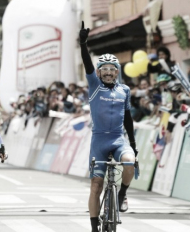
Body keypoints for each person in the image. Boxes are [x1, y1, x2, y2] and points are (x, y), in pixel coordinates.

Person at [80, 21, 137, 232]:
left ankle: (122, 193)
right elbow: (87, 63)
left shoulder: (125, 90)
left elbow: (128, 119)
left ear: (117, 71)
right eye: (104, 69)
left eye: (112, 70)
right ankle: (95, 227)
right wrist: (83, 43)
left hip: (118, 139)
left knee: (129, 163)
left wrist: (133, 143)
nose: (108, 73)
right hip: (99, 141)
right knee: (96, 185)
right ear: (99, 72)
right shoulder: (95, 86)